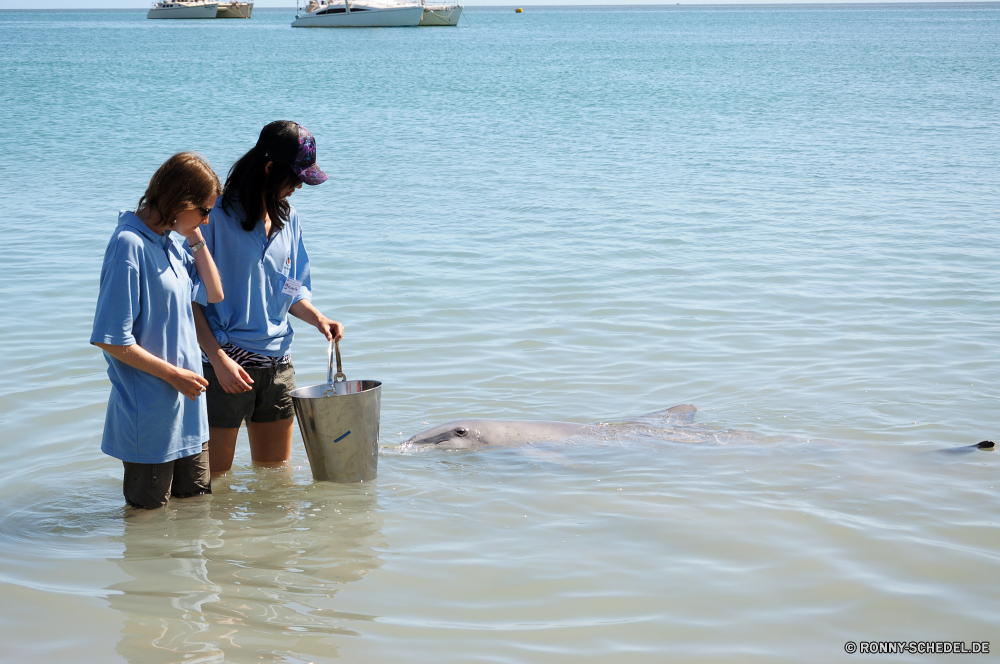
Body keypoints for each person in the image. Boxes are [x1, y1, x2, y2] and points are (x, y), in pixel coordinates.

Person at [193, 121, 344, 475]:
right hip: (224, 369)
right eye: (294, 179)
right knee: (214, 486)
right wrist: (217, 360)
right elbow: (190, 302)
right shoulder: (212, 217)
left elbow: (290, 290)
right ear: (269, 168)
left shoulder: (288, 218)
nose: (296, 189)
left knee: (276, 482)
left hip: (278, 370)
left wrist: (318, 318)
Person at [91, 152, 225, 509]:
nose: (208, 221)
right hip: (149, 419)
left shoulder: (170, 244)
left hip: (190, 416)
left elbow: (214, 294)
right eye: (205, 211)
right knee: (147, 535)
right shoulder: (128, 245)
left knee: (198, 516)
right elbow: (112, 340)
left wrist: (194, 239)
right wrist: (174, 376)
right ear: (181, 202)